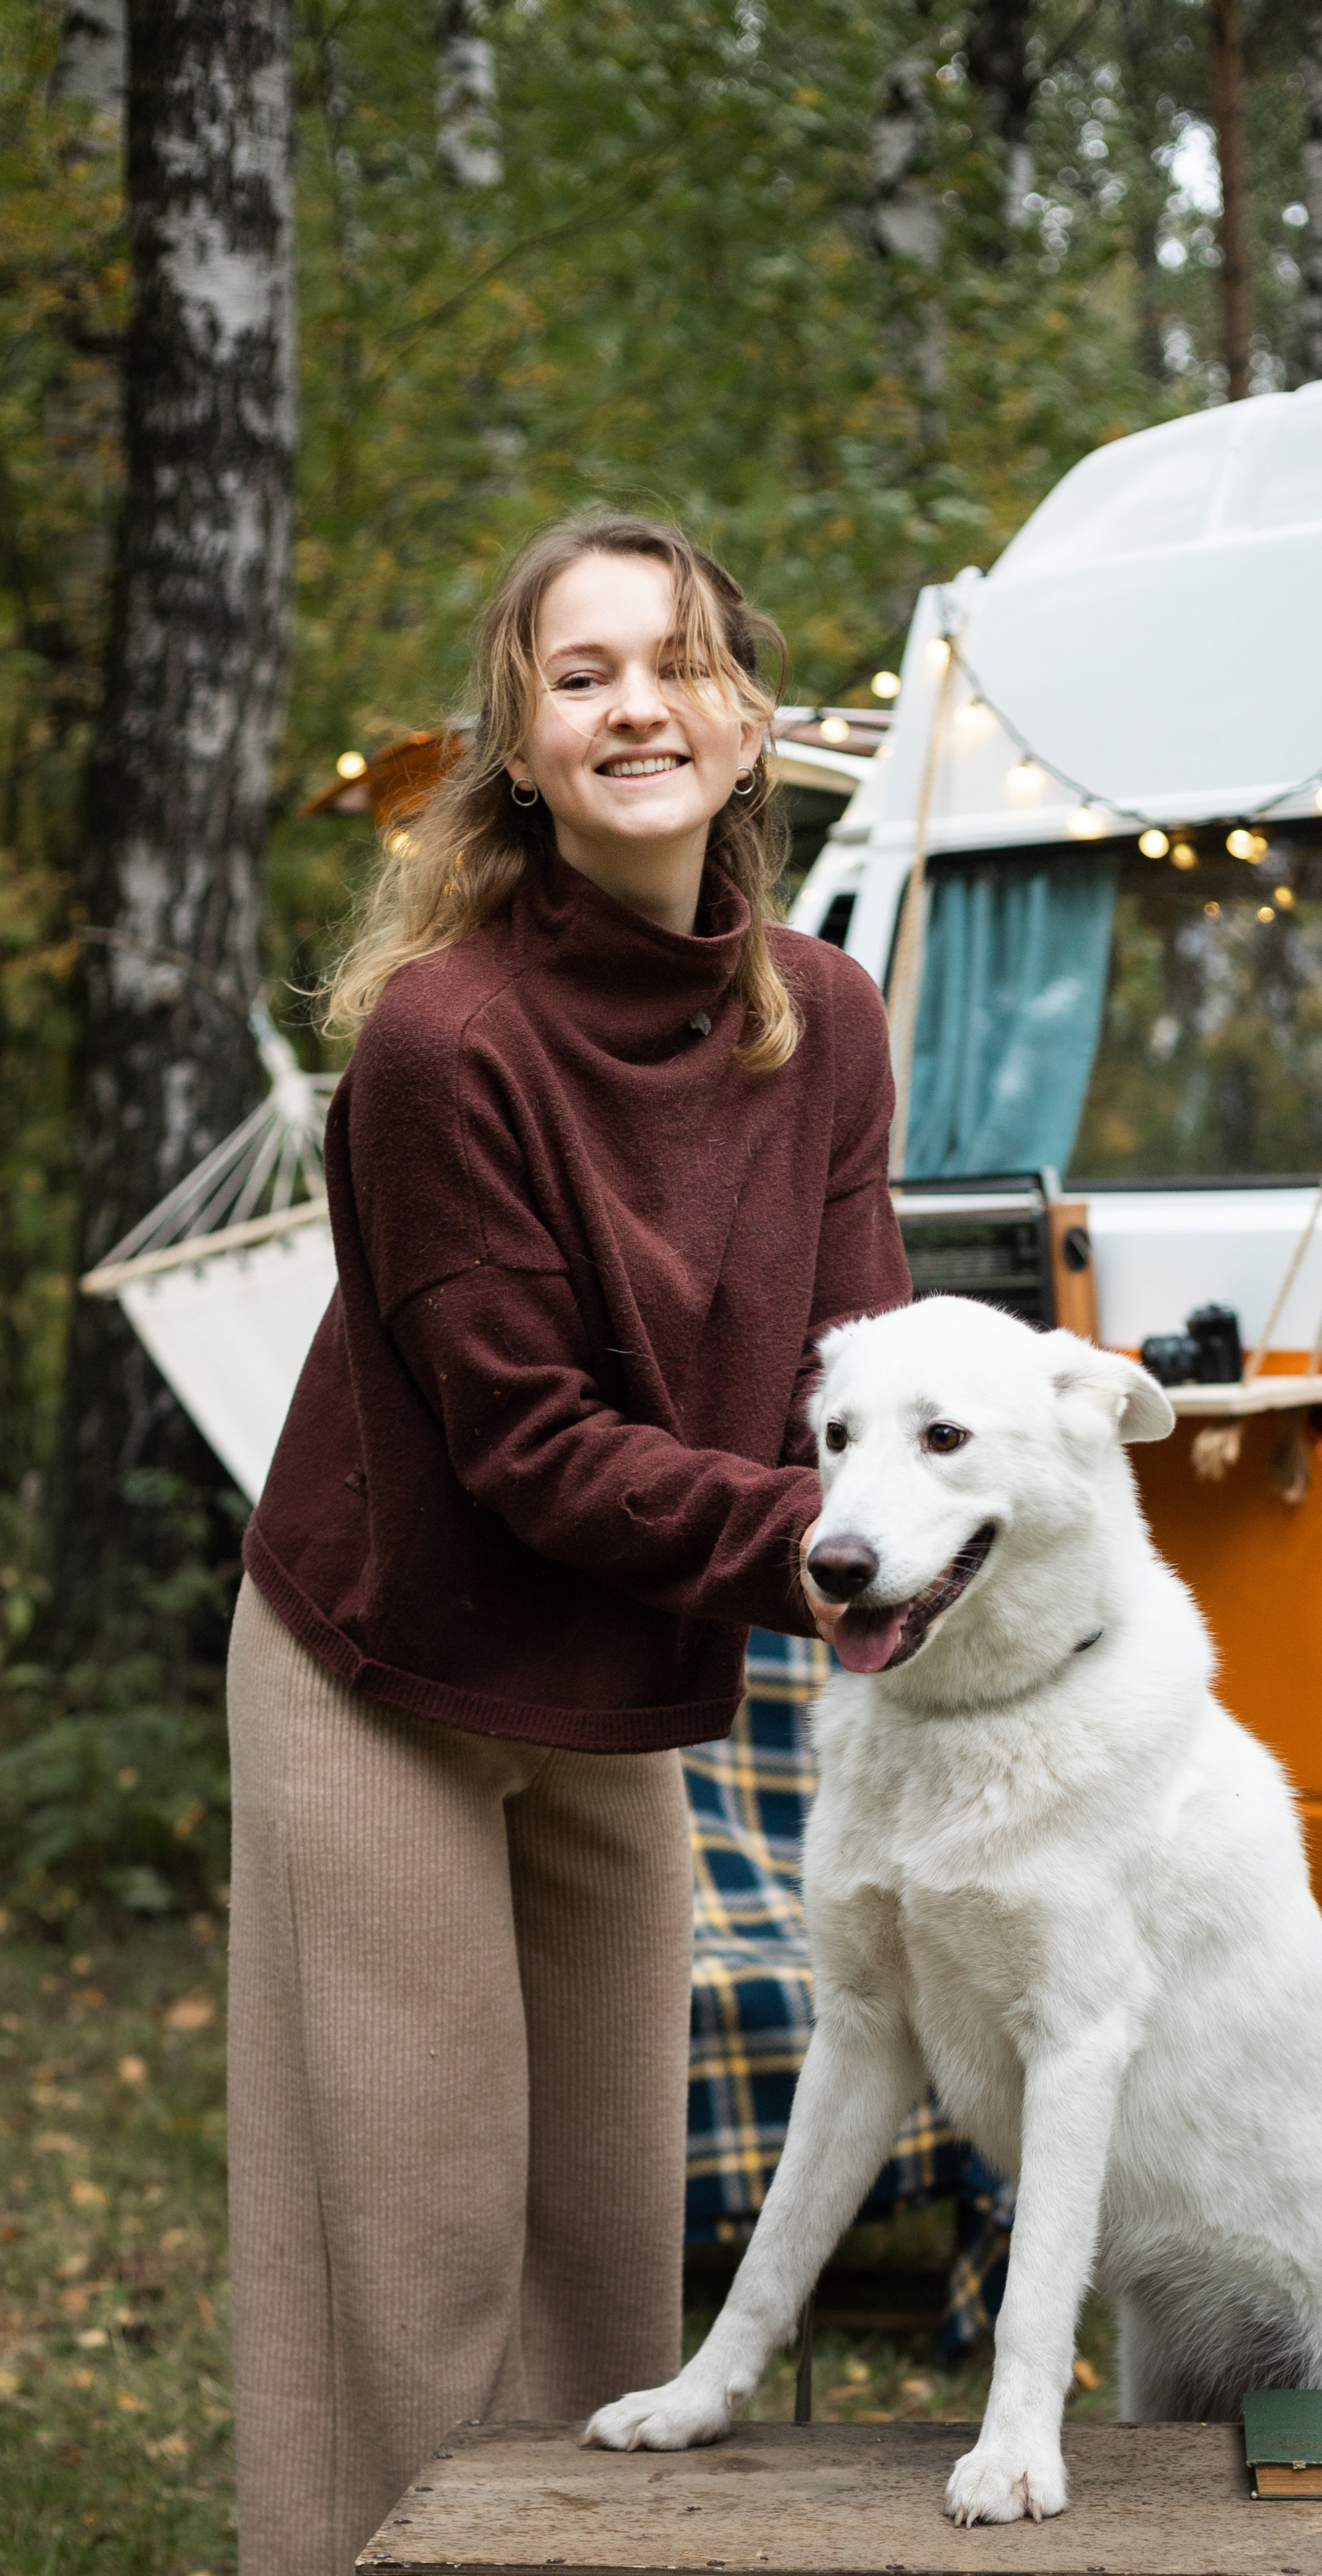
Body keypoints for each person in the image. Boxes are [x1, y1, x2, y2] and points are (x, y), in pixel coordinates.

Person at [225, 512, 910, 2576]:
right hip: (389, 1671)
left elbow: (856, 1366)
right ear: (516, 743)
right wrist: (833, 1550)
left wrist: (974, 1513)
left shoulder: (826, 1014)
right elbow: (530, 1448)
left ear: (746, 717)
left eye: (680, 662)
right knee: (419, 2270)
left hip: (615, 1681)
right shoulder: (448, 1040)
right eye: (584, 671)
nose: (640, 704)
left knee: (612, 2261)